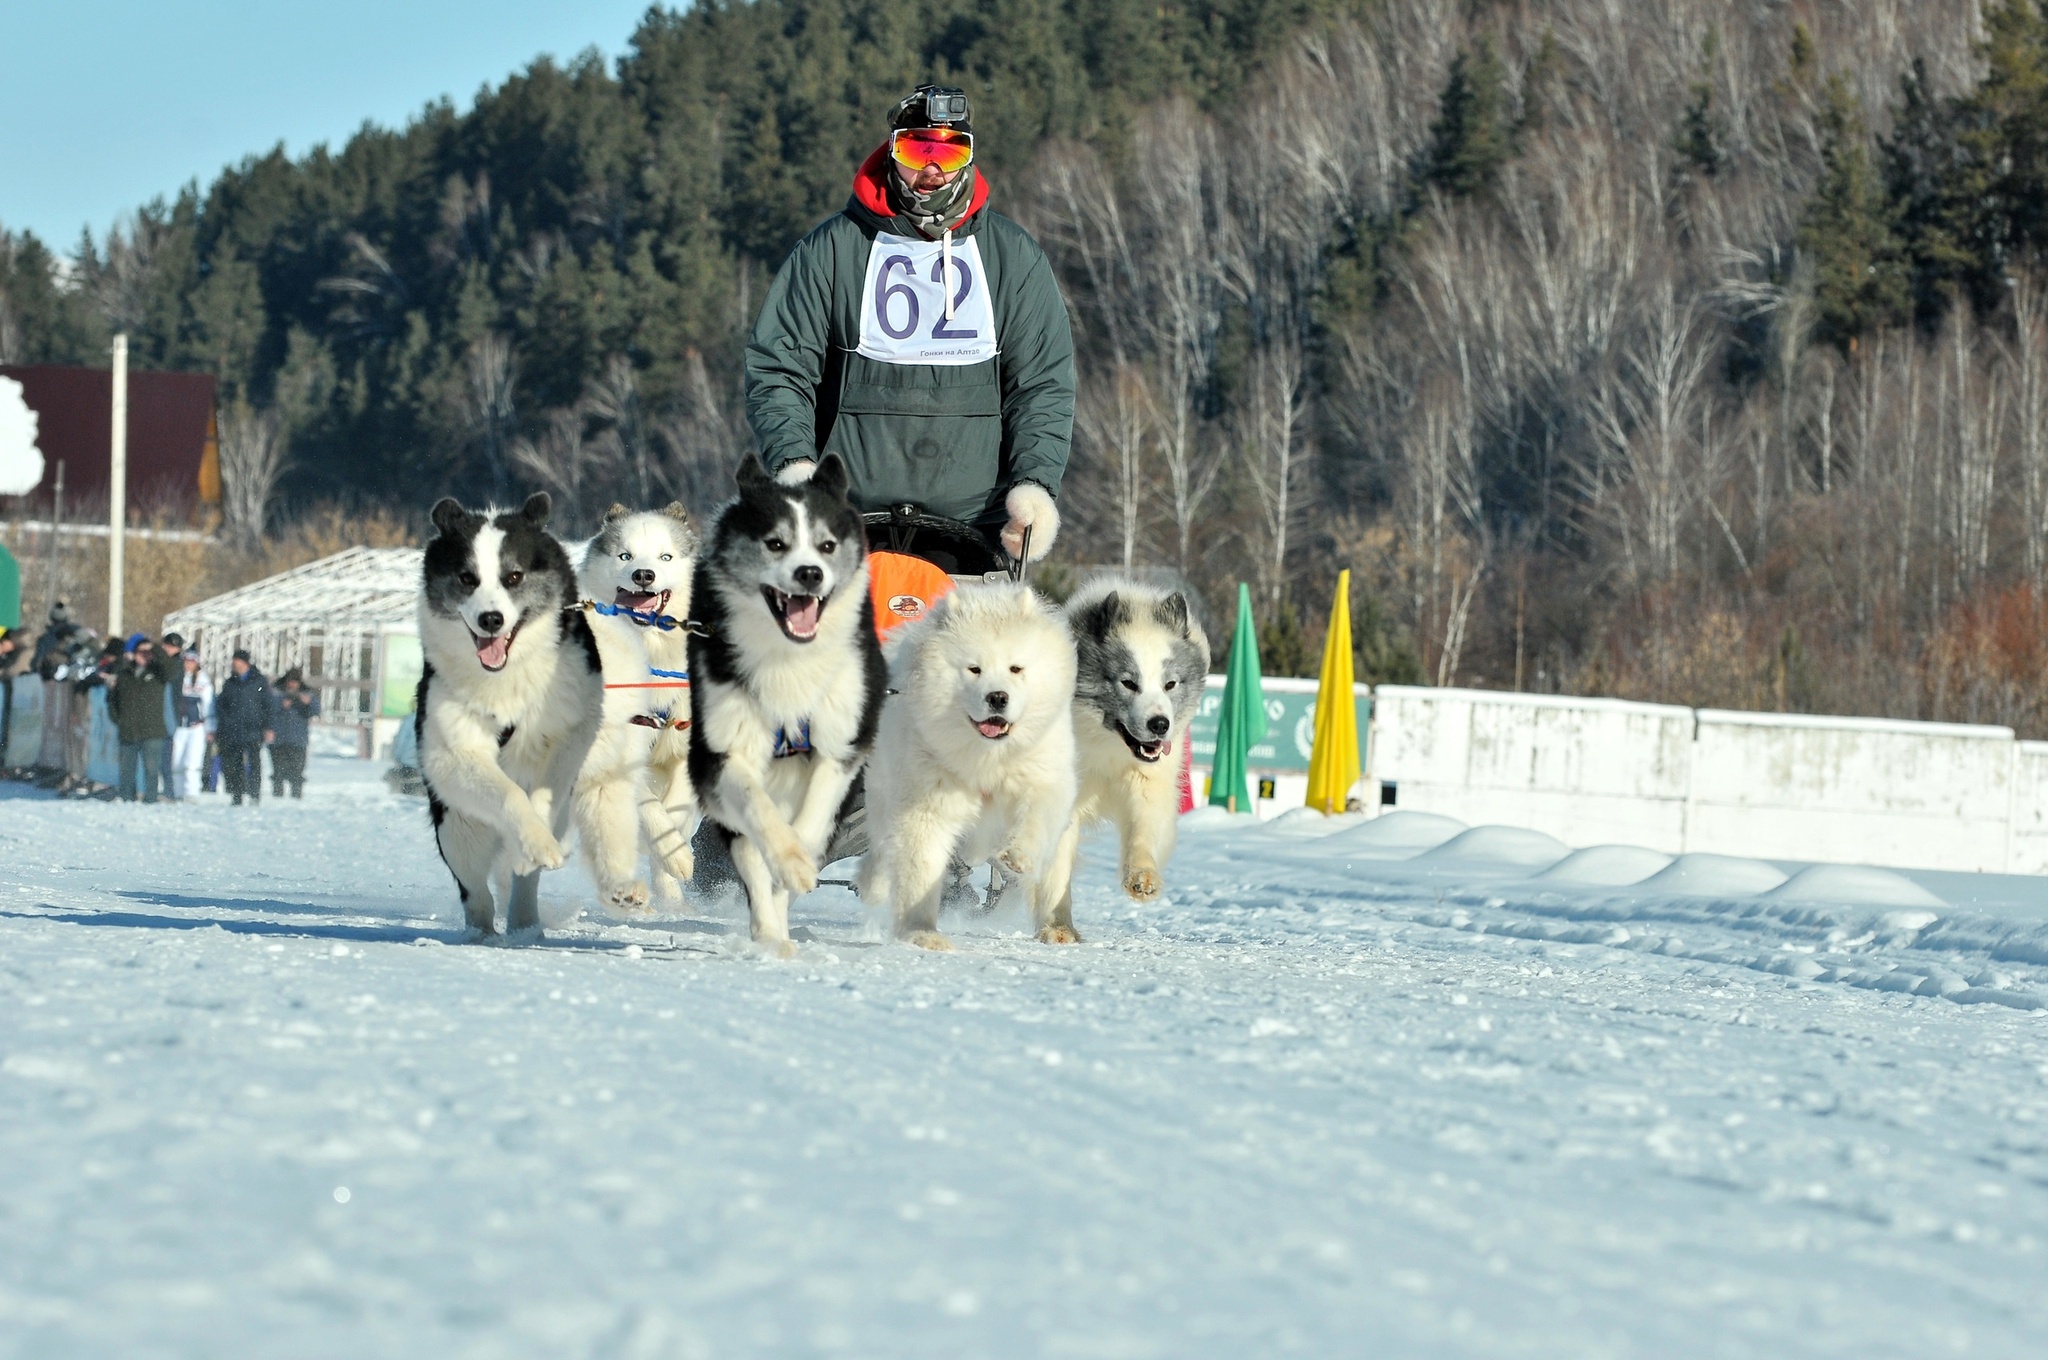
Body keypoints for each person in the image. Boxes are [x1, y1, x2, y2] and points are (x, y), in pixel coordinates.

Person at [744, 84, 1074, 572]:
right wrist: (795, 466)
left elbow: (1042, 384)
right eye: (917, 148)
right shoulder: (832, 249)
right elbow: (779, 368)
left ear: (968, 157)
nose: (932, 168)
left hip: (974, 533)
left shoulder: (1012, 256)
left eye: (949, 149)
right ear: (892, 151)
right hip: (843, 527)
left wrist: (1035, 486)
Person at [107, 634, 173, 803]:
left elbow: (168, 668)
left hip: (153, 730)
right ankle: (126, 796)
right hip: (129, 730)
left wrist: (155, 648)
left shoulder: (158, 674)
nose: (144, 656)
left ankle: (151, 798)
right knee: (127, 769)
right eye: (140, 652)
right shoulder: (124, 675)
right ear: (134, 654)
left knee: (151, 770)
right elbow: (112, 700)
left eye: (147, 653)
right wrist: (118, 719)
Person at [213, 649, 275, 806]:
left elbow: (268, 705)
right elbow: (222, 705)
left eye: (238, 662)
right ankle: (237, 794)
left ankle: (254, 794)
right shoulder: (230, 683)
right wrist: (224, 724)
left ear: (245, 663)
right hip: (233, 730)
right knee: (235, 764)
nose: (235, 666)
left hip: (253, 728)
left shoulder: (259, 682)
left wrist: (268, 727)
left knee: (254, 762)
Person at [167, 635, 214, 799]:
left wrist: (210, 727)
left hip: (196, 726)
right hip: (179, 725)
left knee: (192, 762)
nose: (189, 664)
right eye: (186, 660)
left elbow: (209, 705)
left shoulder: (203, 680)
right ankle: (177, 791)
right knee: (177, 761)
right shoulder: (178, 677)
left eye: (192, 661)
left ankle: (192, 792)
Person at [268, 667, 319, 798]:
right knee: (277, 771)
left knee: (297, 771)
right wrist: (281, 705)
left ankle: (296, 795)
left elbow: (316, 711)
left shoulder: (307, 694)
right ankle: (277, 794)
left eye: (295, 682)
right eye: (290, 681)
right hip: (278, 738)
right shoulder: (276, 692)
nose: (292, 685)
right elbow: (266, 709)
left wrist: (307, 703)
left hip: (298, 739)